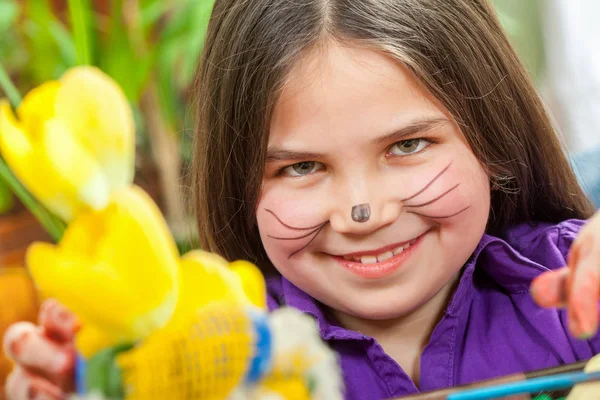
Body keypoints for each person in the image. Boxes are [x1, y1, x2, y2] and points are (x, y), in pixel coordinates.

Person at [4, 1, 600, 399]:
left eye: (408, 145)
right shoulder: (203, 354)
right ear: (238, 183)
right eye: (303, 167)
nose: (363, 213)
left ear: (491, 139)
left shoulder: (578, 287)